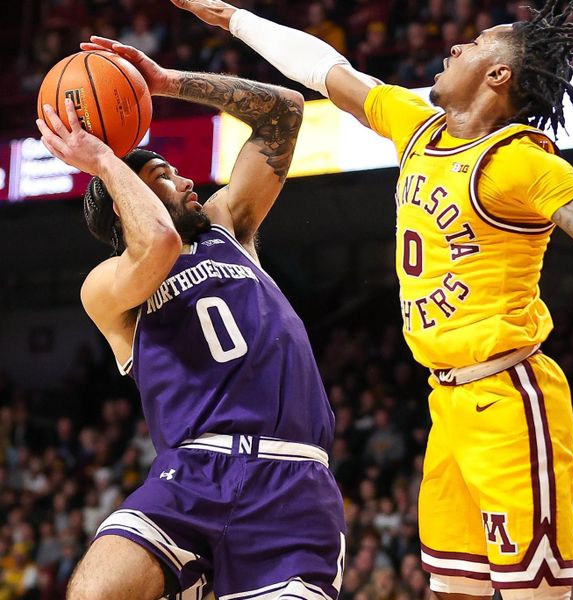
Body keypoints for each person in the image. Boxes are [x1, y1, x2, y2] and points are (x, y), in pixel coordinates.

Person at [171, 1, 573, 598]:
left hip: (510, 398)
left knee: (534, 593)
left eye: (476, 43)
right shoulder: (420, 126)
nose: (455, 47)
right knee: (453, 591)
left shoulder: (520, 163)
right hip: (447, 401)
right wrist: (235, 20)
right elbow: (327, 69)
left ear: (498, 75)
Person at [35, 38, 345, 600]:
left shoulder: (230, 227)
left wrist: (164, 82)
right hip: (193, 474)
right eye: (165, 177)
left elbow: (284, 113)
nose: (188, 182)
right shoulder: (108, 287)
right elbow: (156, 241)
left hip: (293, 484)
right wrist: (104, 159)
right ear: (123, 199)